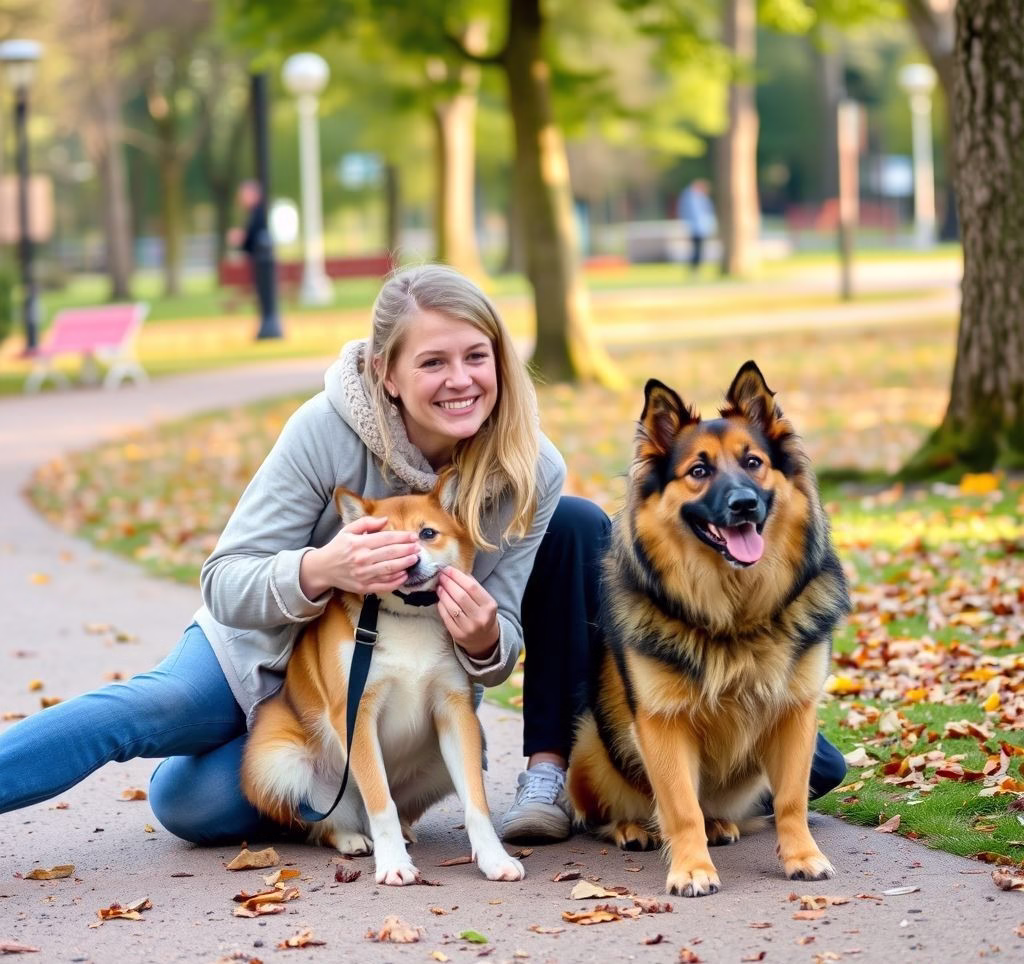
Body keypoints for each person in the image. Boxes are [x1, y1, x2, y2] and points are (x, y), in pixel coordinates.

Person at [0, 263, 846, 845]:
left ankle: (319, 786)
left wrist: (483, 641)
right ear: (387, 373)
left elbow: (501, 647)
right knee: (145, 715)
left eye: (477, 356)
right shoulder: (323, 432)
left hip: (381, 693)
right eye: (433, 361)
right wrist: (322, 568)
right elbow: (224, 581)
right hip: (253, 656)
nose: (460, 379)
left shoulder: (526, 469)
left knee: (187, 804)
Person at [232, 179, 281, 339]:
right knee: (262, 296)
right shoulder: (256, 213)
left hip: (263, 262)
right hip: (260, 261)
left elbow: (253, 239)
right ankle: (267, 324)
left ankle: (269, 325)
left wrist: (241, 239)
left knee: (265, 296)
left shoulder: (259, 214)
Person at [677, 178, 717, 274]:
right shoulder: (691, 198)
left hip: (701, 227)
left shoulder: (699, 197)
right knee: (697, 249)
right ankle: (694, 269)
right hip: (696, 227)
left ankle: (696, 268)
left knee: (699, 249)